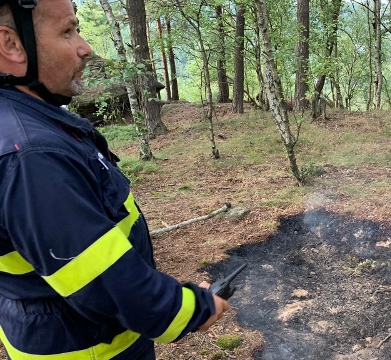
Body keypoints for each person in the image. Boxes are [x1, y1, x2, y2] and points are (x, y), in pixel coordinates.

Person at [0, 0, 229, 358]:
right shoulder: (30, 154)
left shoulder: (28, 124)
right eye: (67, 31)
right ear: (10, 43)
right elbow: (102, 279)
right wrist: (190, 309)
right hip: (90, 348)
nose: (84, 47)